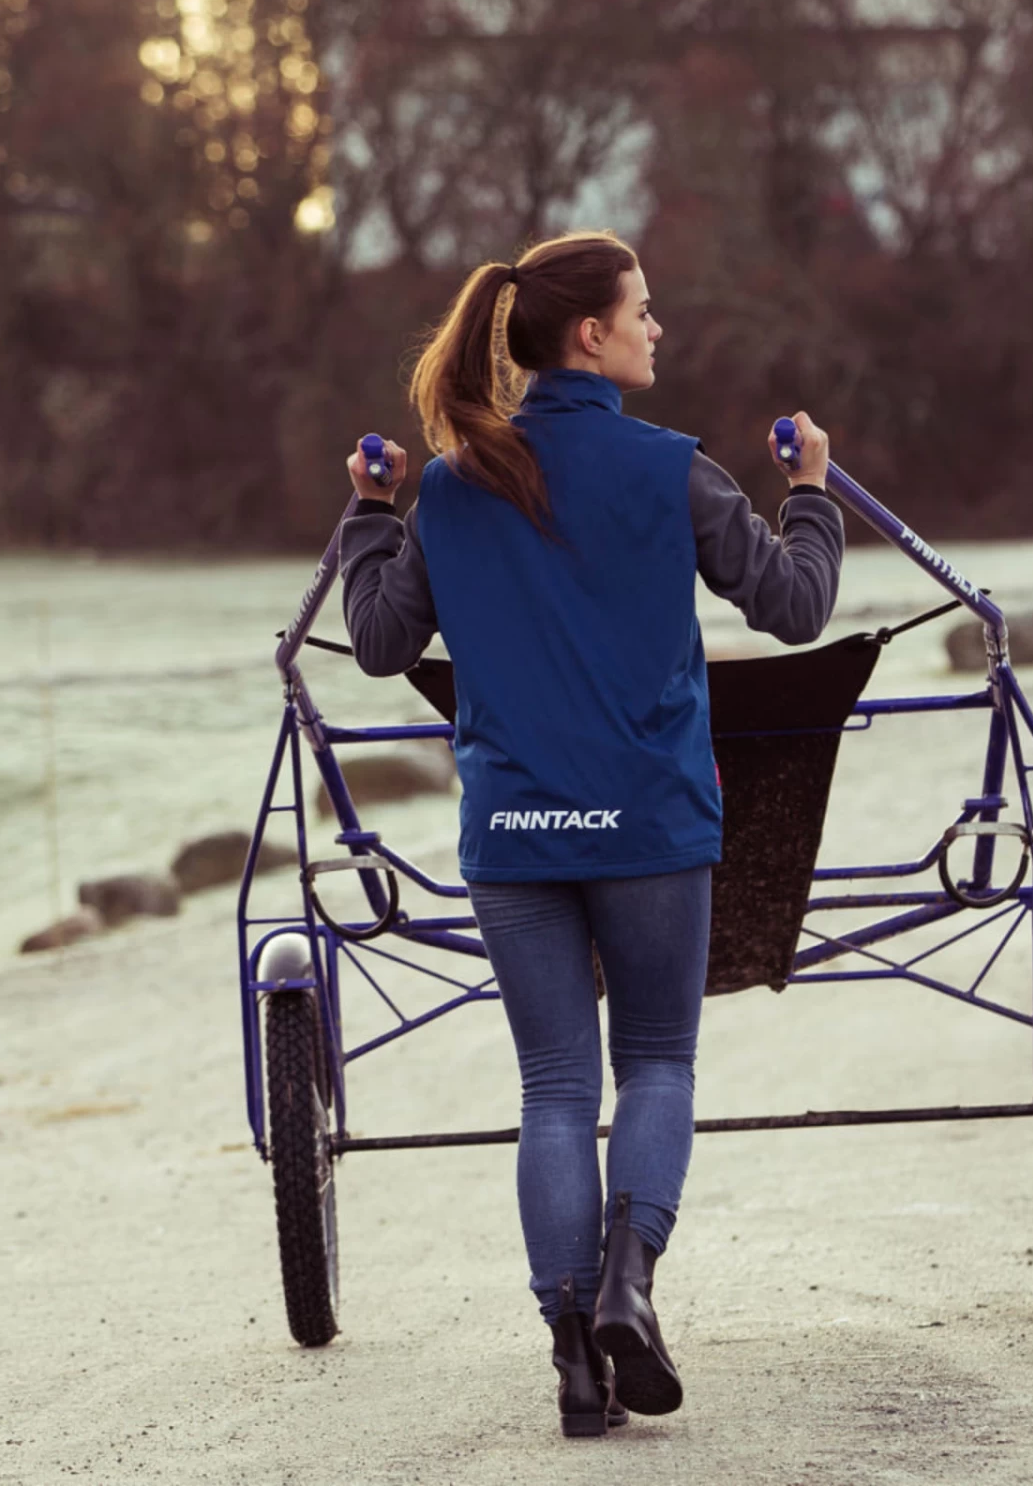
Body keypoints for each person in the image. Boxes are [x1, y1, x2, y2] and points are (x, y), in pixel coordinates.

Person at [338, 230, 843, 1437]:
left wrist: (368, 515)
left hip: (515, 833)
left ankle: (575, 1359)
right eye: (643, 310)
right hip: (652, 824)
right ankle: (628, 1286)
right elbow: (795, 607)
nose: (656, 329)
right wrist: (813, 494)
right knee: (655, 1065)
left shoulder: (453, 487)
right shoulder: (671, 470)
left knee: (555, 1088)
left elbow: (379, 643)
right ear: (591, 334)